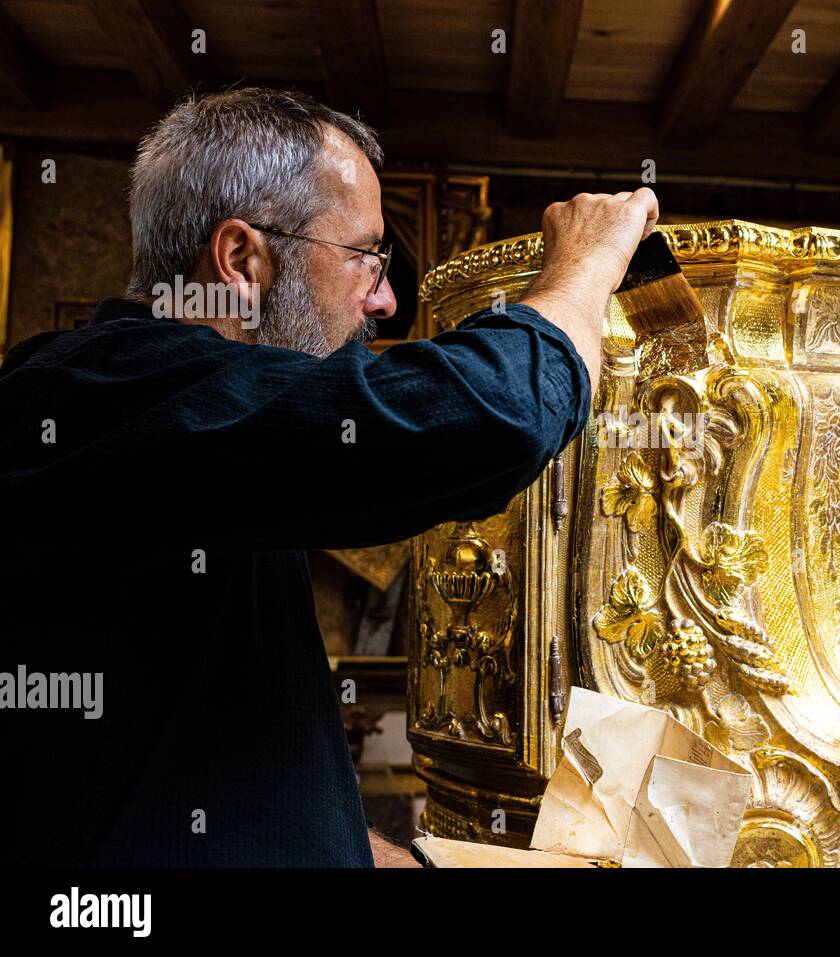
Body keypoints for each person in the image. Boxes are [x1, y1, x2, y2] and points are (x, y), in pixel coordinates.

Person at [0, 87, 658, 867]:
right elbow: (496, 414)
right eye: (365, 256)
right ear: (242, 259)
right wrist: (583, 266)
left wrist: (379, 856)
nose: (383, 297)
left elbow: (219, 763)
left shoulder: (212, 427)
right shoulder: (105, 396)